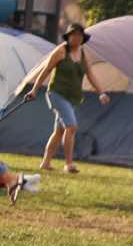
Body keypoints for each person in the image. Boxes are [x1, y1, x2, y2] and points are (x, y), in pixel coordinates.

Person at [29, 24, 112, 174]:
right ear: (68, 36)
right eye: (73, 34)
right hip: (56, 94)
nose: (76, 37)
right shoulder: (61, 51)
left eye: (79, 35)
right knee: (71, 126)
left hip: (72, 98)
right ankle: (68, 164)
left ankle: (45, 163)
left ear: (83, 38)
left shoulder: (83, 54)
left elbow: (90, 75)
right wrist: (34, 89)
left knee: (59, 131)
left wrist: (101, 93)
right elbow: (46, 70)